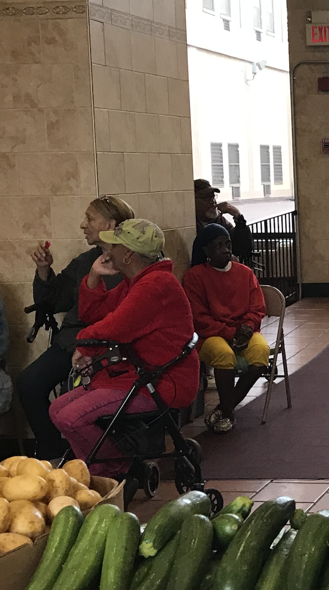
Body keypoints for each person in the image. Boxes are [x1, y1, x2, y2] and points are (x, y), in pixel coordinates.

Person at [50, 219, 200, 478]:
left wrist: (84, 345)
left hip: (161, 382)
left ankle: (115, 471)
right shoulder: (138, 281)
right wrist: (94, 276)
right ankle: (113, 466)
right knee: (57, 410)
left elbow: (115, 327)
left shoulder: (155, 285)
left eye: (115, 245)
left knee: (71, 417)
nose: (109, 249)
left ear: (128, 254)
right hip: (137, 375)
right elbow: (94, 315)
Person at [16, 195, 135, 460]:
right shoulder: (85, 261)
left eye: (90, 218)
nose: (83, 224)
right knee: (28, 383)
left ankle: (87, 456)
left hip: (110, 347)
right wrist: (44, 270)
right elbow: (53, 302)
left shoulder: (132, 263)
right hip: (73, 341)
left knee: (74, 396)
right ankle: (50, 449)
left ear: (110, 224)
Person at [184, 224, 269, 434]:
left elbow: (257, 308)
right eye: (218, 246)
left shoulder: (245, 273)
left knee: (261, 352)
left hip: (244, 331)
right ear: (206, 251)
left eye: (228, 244)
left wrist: (247, 327)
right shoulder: (195, 276)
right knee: (224, 354)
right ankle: (228, 413)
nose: (225, 250)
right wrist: (231, 333)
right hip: (210, 334)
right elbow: (198, 317)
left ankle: (224, 408)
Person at [191, 179, 253, 267]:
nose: (212, 202)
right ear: (193, 200)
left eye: (213, 197)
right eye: (206, 198)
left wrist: (238, 217)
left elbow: (243, 248)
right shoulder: (188, 224)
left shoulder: (219, 221)